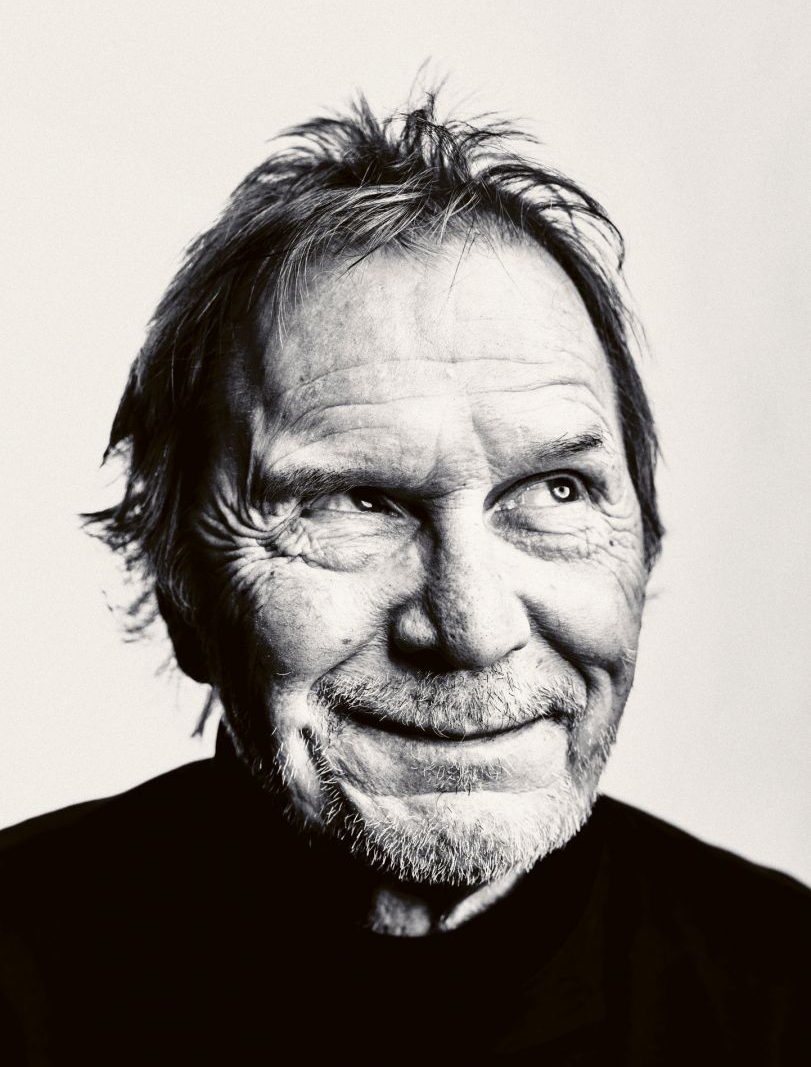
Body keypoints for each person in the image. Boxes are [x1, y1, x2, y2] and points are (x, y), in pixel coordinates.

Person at [0, 90, 807, 1066]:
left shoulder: (783, 991)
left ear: (645, 549)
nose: (470, 628)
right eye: (352, 502)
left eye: (554, 490)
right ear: (178, 583)